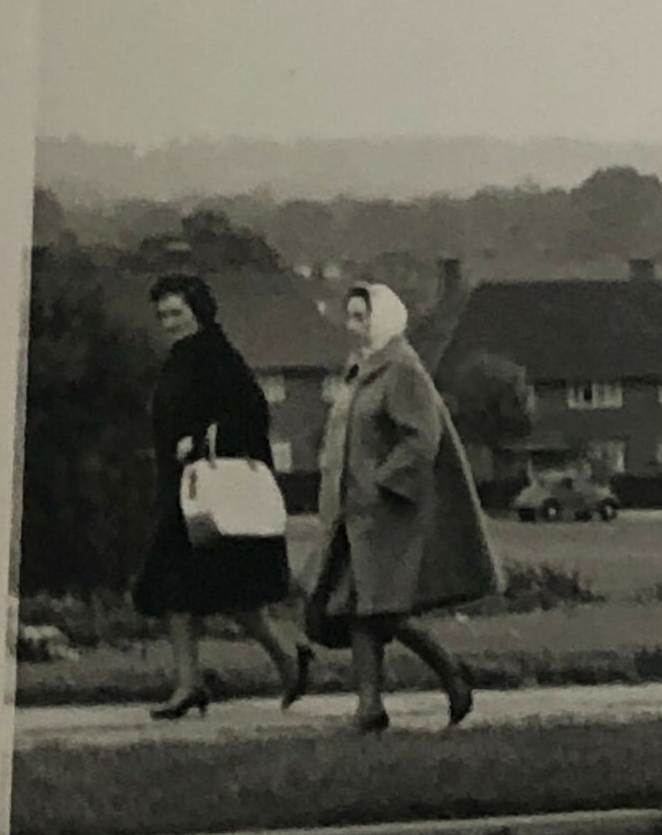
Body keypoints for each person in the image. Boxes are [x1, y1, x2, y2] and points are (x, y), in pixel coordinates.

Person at [305, 282, 500, 732]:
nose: (353, 326)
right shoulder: (361, 371)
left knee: (381, 609)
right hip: (353, 513)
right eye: (350, 316)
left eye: (362, 317)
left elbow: (422, 436)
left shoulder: (402, 371)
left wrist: (384, 482)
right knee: (360, 608)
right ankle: (372, 706)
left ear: (384, 319)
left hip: (386, 514)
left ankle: (447, 674)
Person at [131, 273, 314, 719]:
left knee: (227, 593)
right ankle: (192, 682)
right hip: (184, 495)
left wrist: (199, 442)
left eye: (176, 313)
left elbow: (251, 415)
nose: (169, 322)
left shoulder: (218, 358)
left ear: (199, 312)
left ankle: (283, 659)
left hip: (215, 497)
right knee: (178, 590)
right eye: (163, 315)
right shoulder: (179, 359)